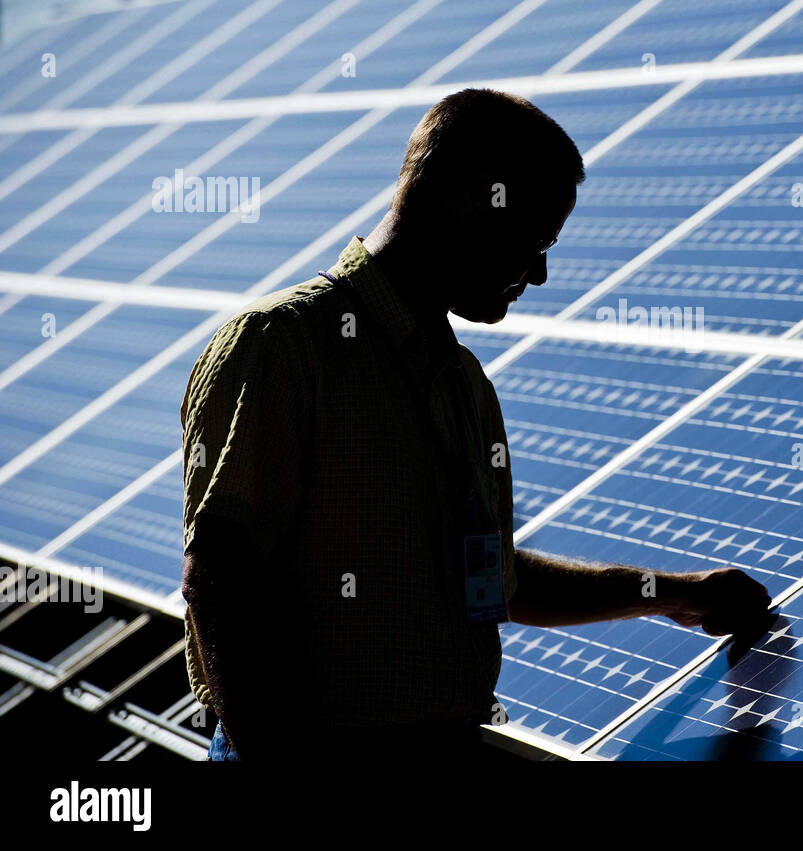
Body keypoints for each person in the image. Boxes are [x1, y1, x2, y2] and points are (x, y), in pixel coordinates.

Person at [181, 88, 772, 762]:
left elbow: (490, 579)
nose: (542, 273)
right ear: (468, 200)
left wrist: (672, 593)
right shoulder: (282, 344)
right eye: (536, 238)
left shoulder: (464, 386)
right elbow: (218, 577)